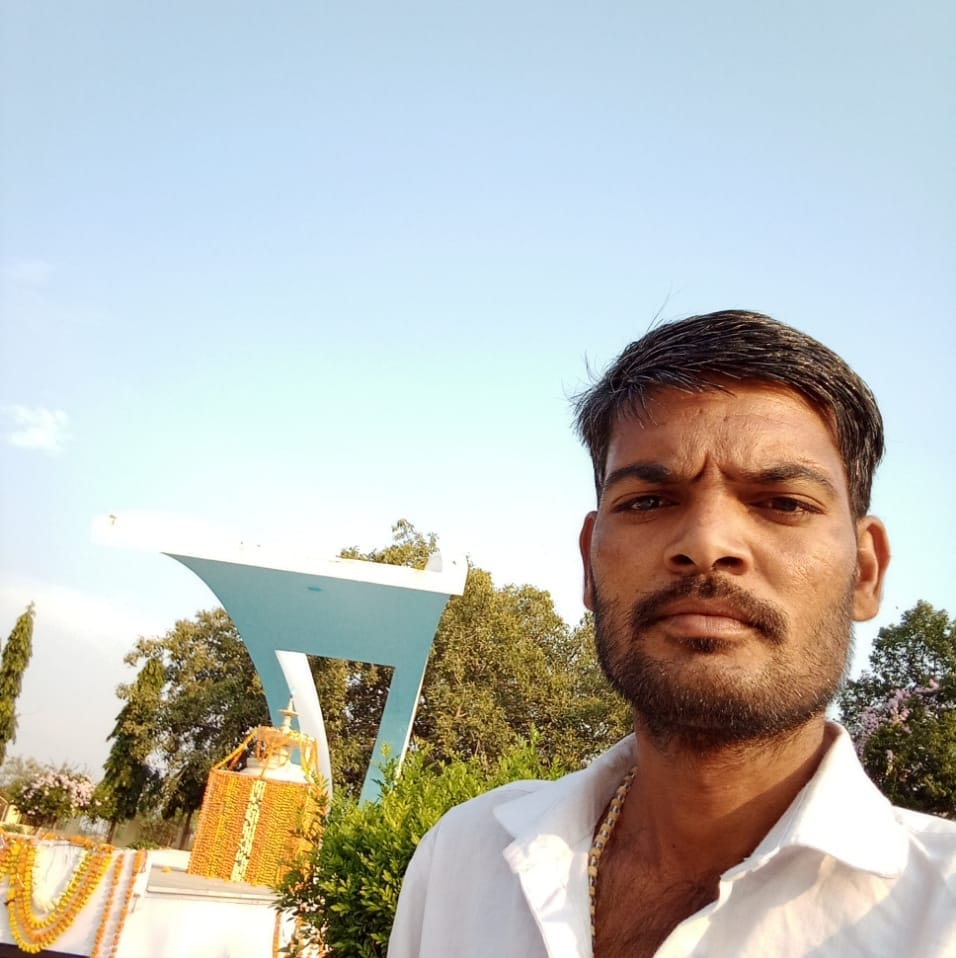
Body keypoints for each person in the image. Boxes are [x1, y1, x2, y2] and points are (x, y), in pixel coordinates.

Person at [387, 310, 956, 958]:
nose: (707, 543)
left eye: (783, 503)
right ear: (589, 564)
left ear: (866, 572)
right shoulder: (463, 862)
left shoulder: (938, 916)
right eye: (649, 502)